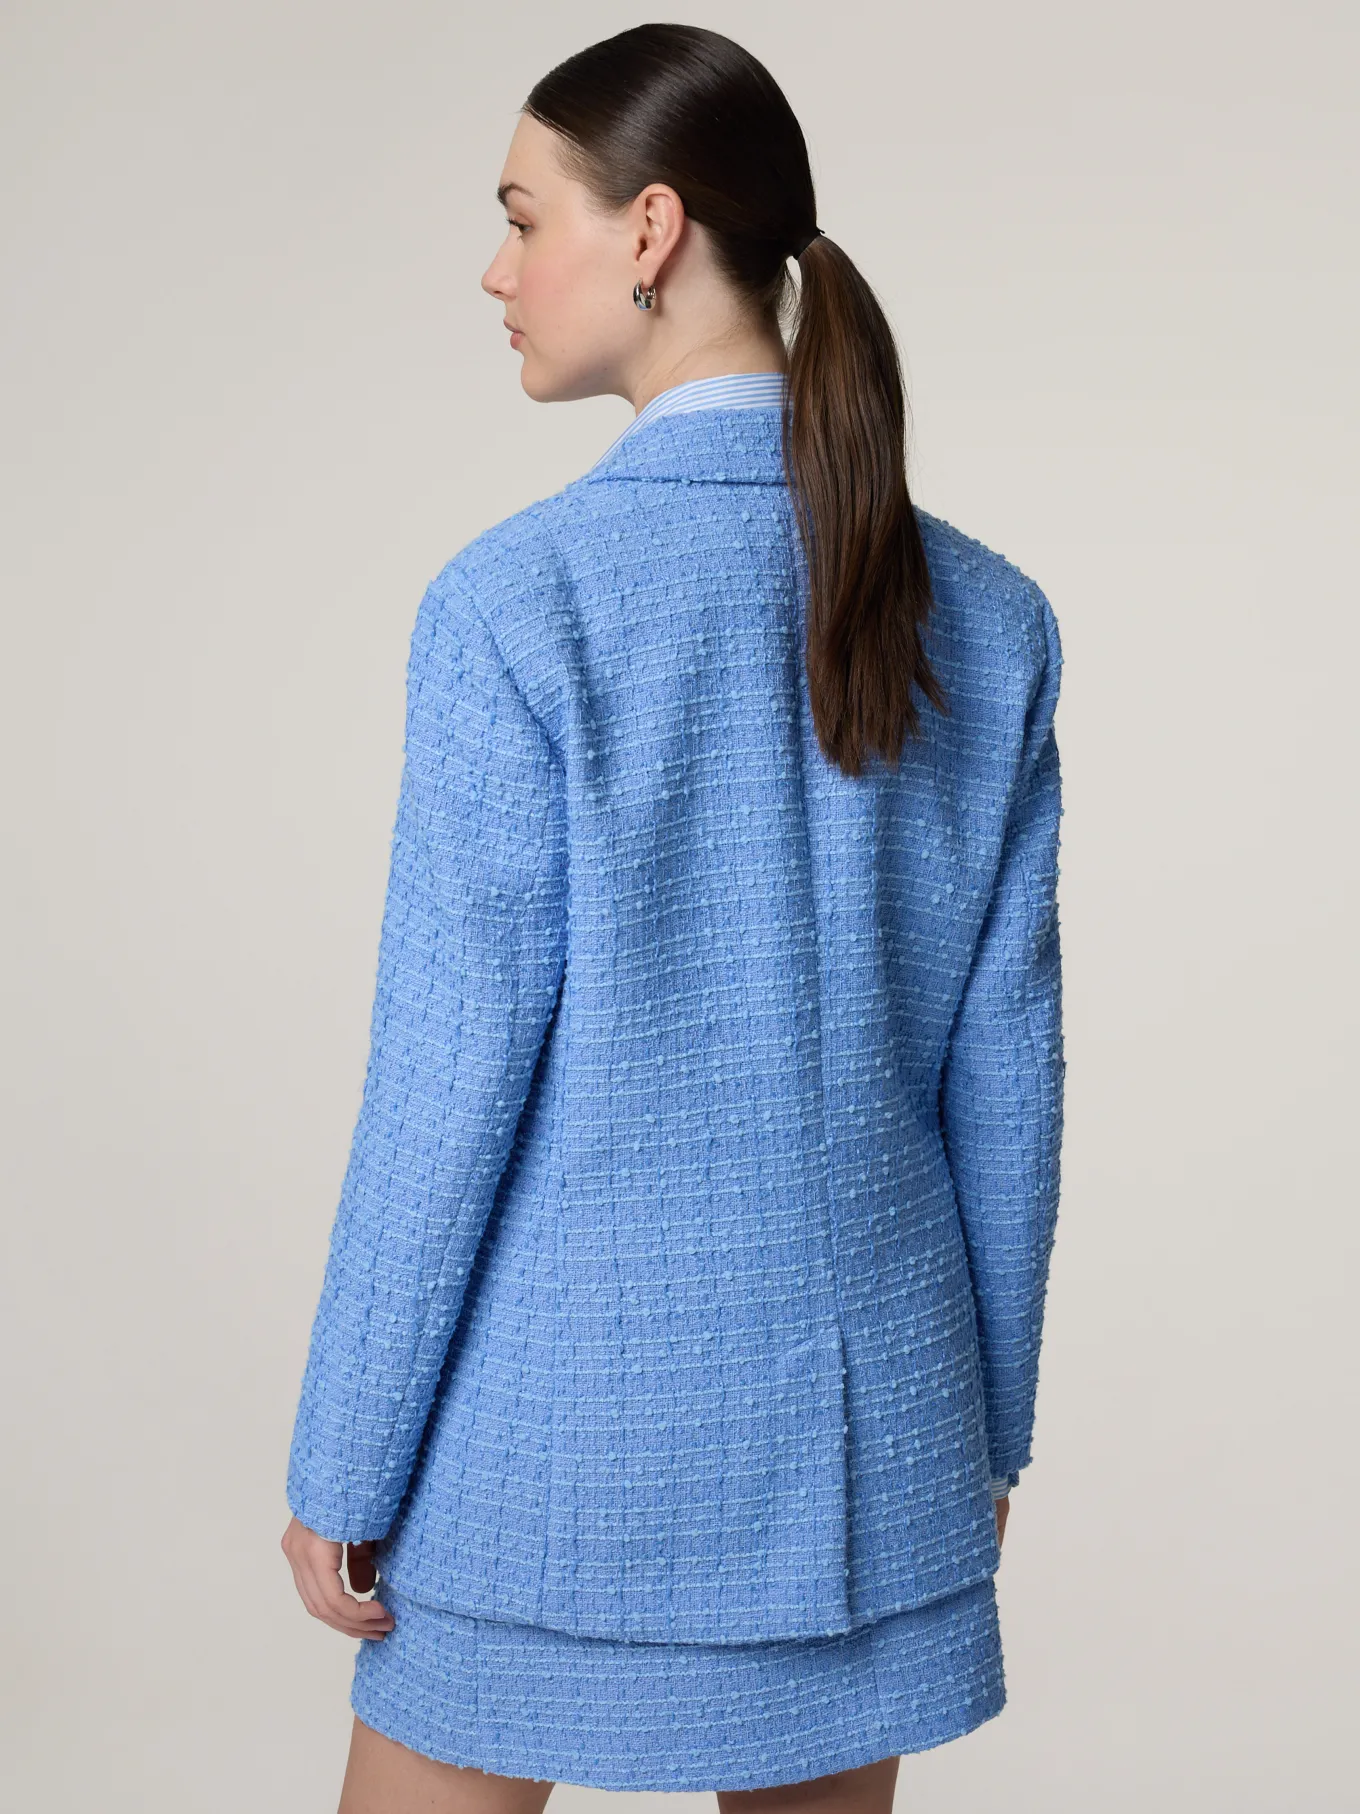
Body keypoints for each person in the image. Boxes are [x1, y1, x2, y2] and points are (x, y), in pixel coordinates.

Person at [280, 23, 1065, 1814]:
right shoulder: (990, 617)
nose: (494, 270)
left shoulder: (516, 606)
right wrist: (985, 1434)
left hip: (551, 1454)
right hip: (865, 1451)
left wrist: (346, 1453)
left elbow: (445, 1085)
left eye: (519, 216)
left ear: (649, 229)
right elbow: (1007, 1091)